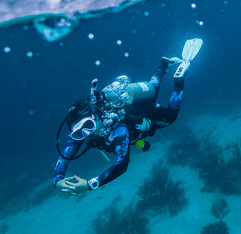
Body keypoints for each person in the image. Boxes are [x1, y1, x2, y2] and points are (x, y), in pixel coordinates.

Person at [53, 38, 202, 196]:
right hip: (132, 117)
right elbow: (64, 157)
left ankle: (179, 80)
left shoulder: (118, 129)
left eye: (88, 125)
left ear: (95, 116)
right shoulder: (81, 133)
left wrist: (90, 184)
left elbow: (122, 164)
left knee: (171, 116)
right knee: (154, 91)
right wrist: (57, 180)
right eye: (78, 133)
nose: (85, 134)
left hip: (142, 114)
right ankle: (163, 66)